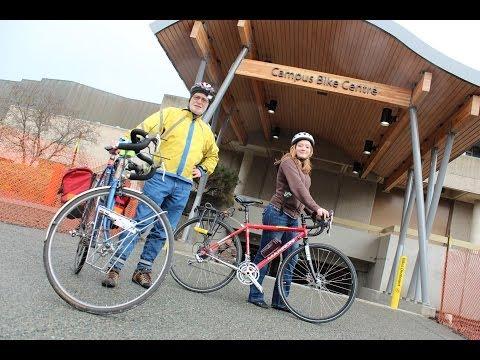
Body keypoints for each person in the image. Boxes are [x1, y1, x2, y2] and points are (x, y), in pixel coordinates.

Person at [102, 82, 220, 288]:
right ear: (191, 99)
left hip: (183, 186)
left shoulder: (206, 131)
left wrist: (202, 170)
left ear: (208, 105)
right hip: (160, 178)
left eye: (204, 100)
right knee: (140, 223)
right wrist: (122, 143)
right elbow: (143, 128)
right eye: (197, 97)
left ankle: (143, 271)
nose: (200, 102)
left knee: (162, 231)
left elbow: (213, 156)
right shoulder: (171, 114)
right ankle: (115, 268)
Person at [247, 131, 330, 311]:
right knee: (267, 254)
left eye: (307, 146)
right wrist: (316, 207)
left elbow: (301, 197)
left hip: (293, 218)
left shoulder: (306, 172)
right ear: (294, 147)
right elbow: (297, 188)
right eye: (300, 145)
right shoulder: (287, 162)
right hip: (277, 212)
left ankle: (280, 300)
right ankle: (255, 295)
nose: (303, 148)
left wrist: (316, 214)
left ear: (310, 152)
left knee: (290, 260)